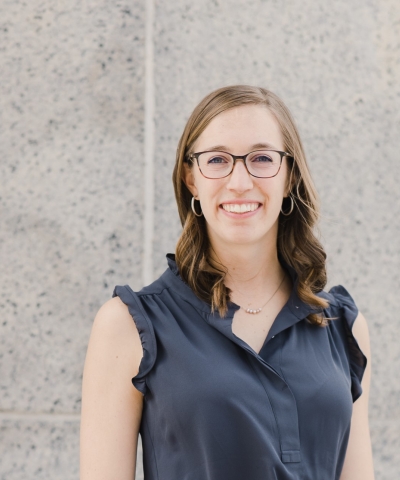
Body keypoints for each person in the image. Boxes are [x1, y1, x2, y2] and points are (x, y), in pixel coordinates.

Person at [80, 85, 374, 480]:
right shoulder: (129, 325)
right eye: (217, 159)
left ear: (289, 177)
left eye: (262, 158)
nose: (239, 181)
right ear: (190, 180)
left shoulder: (343, 327)